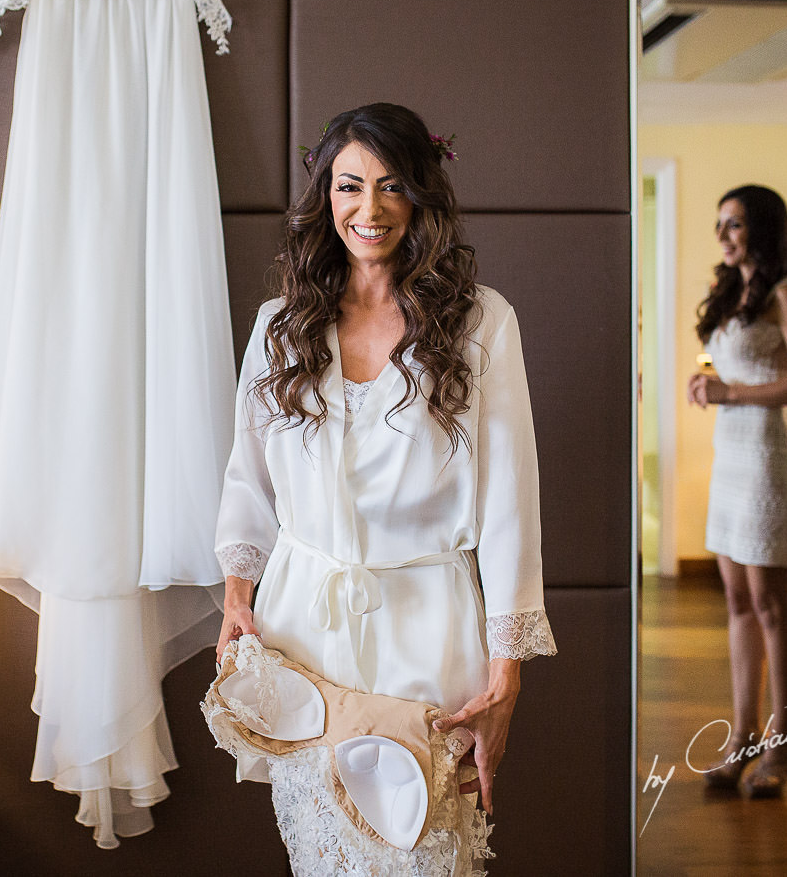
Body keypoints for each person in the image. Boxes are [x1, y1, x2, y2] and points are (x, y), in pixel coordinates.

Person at [213, 102, 556, 871]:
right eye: (349, 186)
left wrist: (508, 675)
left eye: (392, 186)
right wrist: (239, 596)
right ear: (324, 198)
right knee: (323, 857)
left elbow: (509, 505)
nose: (369, 209)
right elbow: (248, 478)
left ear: (422, 199)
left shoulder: (480, 324)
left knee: (421, 855)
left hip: (428, 634)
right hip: (302, 635)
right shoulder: (280, 326)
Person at [687, 184, 787, 797]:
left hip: (770, 462)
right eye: (720, 223)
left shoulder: (785, 292)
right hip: (731, 462)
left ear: (763, 229)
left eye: (736, 223)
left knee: (774, 606)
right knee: (738, 604)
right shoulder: (734, 293)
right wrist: (711, 380)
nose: (723, 234)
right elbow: (746, 369)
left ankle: (784, 742)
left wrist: (731, 394)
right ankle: (742, 737)